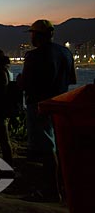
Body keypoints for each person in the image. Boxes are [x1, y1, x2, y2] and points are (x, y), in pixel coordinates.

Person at [19, 19, 76, 202]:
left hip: (39, 106)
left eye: (32, 34)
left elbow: (26, 83)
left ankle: (51, 191)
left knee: (46, 150)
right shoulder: (66, 53)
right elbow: (71, 80)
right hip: (60, 104)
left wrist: (20, 81)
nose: (31, 38)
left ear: (38, 35)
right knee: (59, 147)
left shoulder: (34, 56)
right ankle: (63, 187)